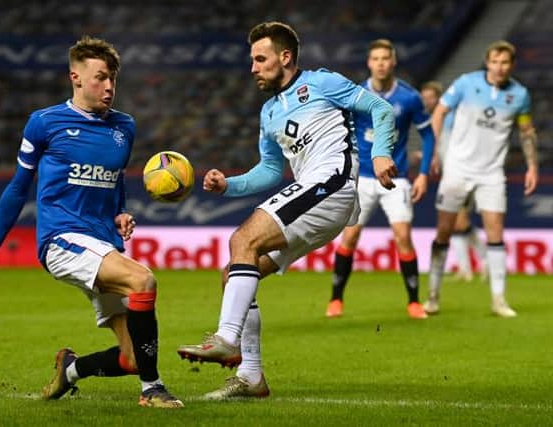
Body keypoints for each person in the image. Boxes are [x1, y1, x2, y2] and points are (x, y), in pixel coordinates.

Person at [0, 36, 183, 408]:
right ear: (75, 77)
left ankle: (71, 370)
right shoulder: (44, 123)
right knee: (143, 279)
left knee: (131, 357)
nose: (108, 87)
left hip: (104, 243)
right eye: (100, 78)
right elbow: (17, 189)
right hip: (62, 240)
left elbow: (115, 180)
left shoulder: (124, 127)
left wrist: (120, 212)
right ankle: (153, 389)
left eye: (113, 79)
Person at [176, 22, 397, 400]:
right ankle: (251, 376)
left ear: (285, 57)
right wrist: (228, 184)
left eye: (260, 59)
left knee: (242, 238)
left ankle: (226, 338)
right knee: (235, 273)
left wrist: (381, 153)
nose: (253, 68)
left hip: (332, 185)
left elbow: (379, 107)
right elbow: (269, 172)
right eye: (252, 60)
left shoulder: (323, 83)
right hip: (315, 194)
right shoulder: (268, 113)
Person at [424, 40, 539, 317]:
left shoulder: (520, 95)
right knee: (444, 231)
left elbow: (526, 132)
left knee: (495, 232)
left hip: (491, 173)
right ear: (487, 62)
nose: (499, 68)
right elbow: (439, 112)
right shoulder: (466, 83)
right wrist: (434, 152)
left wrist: (532, 166)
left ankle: (499, 300)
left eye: (505, 63)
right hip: (458, 168)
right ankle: (433, 295)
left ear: (512, 65)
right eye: (495, 62)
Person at [325, 39, 435, 320]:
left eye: (386, 58)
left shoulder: (409, 98)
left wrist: (423, 173)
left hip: (396, 177)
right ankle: (336, 299)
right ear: (369, 63)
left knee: (403, 237)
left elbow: (428, 135)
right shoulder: (356, 95)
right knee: (350, 236)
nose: (381, 63)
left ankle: (413, 302)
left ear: (393, 61)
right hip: (361, 178)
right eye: (376, 58)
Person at [421, 81, 487, 283]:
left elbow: (454, 146)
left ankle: (481, 264)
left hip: (464, 174)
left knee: (459, 222)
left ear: (439, 98)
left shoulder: (448, 118)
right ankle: (473, 267)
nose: (426, 101)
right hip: (452, 175)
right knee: (459, 223)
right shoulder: (435, 119)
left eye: (430, 97)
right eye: (424, 97)